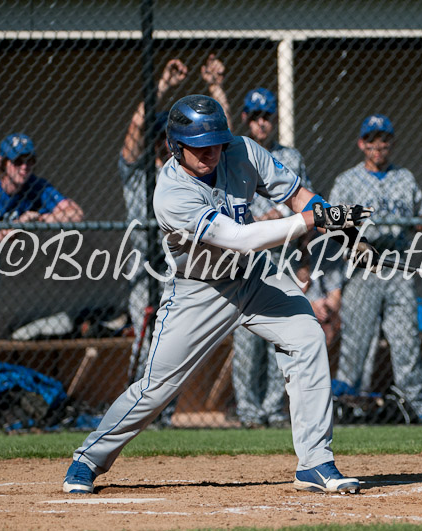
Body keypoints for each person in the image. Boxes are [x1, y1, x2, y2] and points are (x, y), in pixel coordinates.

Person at [63, 94, 372, 495]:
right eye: (200, 145)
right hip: (200, 290)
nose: (211, 151)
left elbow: (297, 196)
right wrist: (312, 219)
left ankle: (315, 462)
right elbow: (240, 239)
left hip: (252, 279)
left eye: (216, 142)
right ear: (176, 146)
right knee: (158, 387)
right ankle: (88, 459)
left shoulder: (241, 150)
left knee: (307, 335)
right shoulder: (171, 193)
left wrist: (341, 228)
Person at [329, 114, 422, 425]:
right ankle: (348, 407)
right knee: (356, 344)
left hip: (397, 266)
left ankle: (415, 408)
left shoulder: (405, 178)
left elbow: (415, 224)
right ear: (362, 143)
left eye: (384, 138)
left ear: (392, 142)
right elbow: (331, 224)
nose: (378, 144)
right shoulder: (347, 181)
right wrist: (354, 243)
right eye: (372, 139)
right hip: (363, 268)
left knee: (406, 341)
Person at [120, 54, 230, 385]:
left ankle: (163, 413)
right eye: (156, 141)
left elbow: (225, 139)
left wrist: (216, 88)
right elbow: (135, 129)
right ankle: (136, 396)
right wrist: (164, 86)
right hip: (144, 267)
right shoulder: (138, 174)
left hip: (181, 266)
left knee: (174, 346)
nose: (160, 147)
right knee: (143, 341)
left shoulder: (189, 176)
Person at [0, 133, 84, 386]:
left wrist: (38, 220)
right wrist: (15, 227)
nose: (24, 167)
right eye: (18, 161)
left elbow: (75, 214)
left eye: (30, 161)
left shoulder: (35, 187)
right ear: (2, 162)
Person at [231, 87, 315, 429]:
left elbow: (305, 209)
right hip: (245, 258)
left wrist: (305, 263)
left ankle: (272, 409)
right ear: (245, 119)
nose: (261, 123)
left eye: (267, 116)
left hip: (280, 258)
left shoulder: (290, 157)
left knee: (278, 338)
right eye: (255, 116)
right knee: (246, 340)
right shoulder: (234, 154)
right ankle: (248, 412)